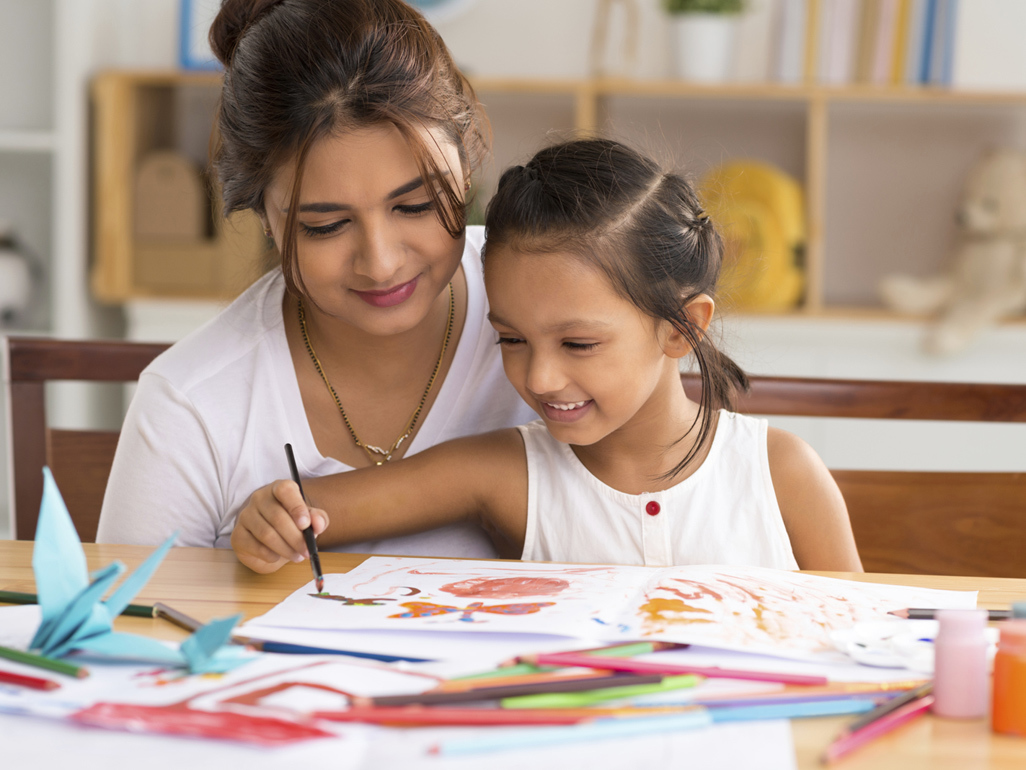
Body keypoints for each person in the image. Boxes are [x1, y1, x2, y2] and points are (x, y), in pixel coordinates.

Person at [231, 138, 864, 573]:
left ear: (681, 328)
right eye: (511, 339)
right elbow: (311, 512)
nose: (538, 376)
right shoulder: (505, 472)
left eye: (579, 343)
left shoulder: (780, 474)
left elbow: (859, 641)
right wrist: (272, 519)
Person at [96, 0, 536, 554]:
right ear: (265, 219)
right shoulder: (192, 404)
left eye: (416, 205)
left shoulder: (558, 310)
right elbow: (128, 629)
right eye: (326, 225)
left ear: (467, 167)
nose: (380, 263)